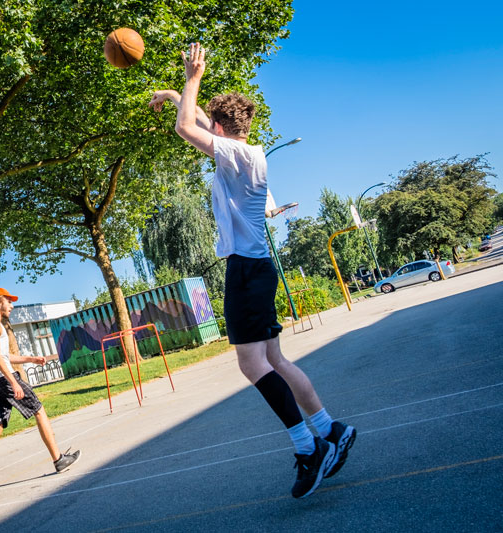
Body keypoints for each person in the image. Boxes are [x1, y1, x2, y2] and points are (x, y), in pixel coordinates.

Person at [148, 43, 355, 499]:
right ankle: (330, 429)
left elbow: (186, 127)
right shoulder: (246, 153)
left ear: (221, 130)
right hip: (257, 268)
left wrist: (192, 77)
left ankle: (309, 447)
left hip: (245, 270)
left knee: (251, 363)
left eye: (213, 128)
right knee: (274, 360)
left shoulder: (237, 157)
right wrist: (174, 93)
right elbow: (195, 119)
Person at [0, 287, 80, 498]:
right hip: (3, 379)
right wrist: (14, 382)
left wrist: (31, 359)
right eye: (9, 301)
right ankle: (59, 459)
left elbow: (4, 356)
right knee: (39, 410)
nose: (12, 306)